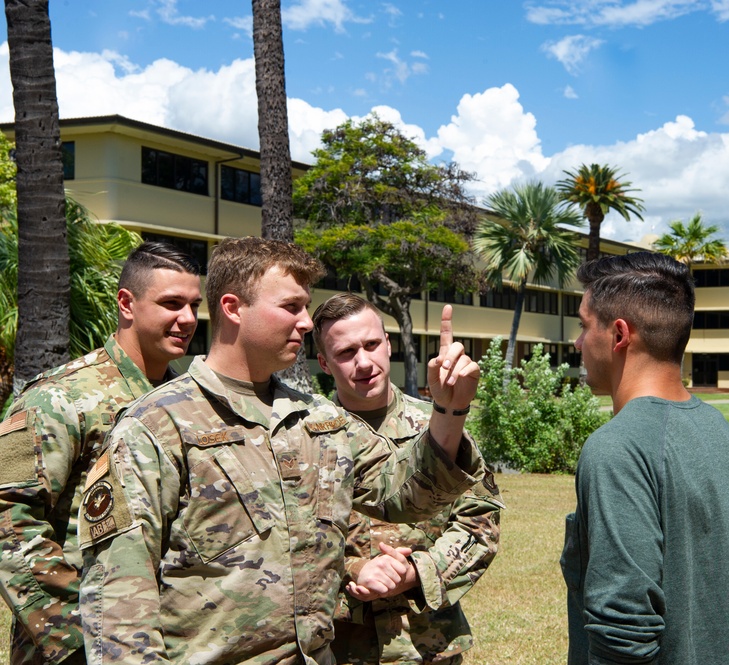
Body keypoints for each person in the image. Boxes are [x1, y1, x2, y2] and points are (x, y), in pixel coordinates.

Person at [77, 236, 485, 665]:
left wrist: (449, 408)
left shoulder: (316, 418)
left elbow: (409, 494)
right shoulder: (159, 424)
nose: (307, 323)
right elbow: (118, 599)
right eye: (292, 307)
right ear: (233, 309)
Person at [560, 252, 729, 664]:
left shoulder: (617, 449)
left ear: (618, 335)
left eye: (583, 325)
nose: (577, 342)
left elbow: (623, 628)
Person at [0, 241, 202, 665]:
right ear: (127, 304)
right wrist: (74, 634)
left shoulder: (188, 400)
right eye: (171, 303)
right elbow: (7, 516)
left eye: (193, 305)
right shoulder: (59, 397)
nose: (187, 319)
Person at [312, 293, 503, 665]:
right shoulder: (309, 436)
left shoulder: (441, 424)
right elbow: (288, 542)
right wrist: (353, 569)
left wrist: (419, 571)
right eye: (347, 352)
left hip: (428, 643)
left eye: (371, 344)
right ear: (323, 362)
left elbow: (480, 522)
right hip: (340, 647)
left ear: (388, 344)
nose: (364, 362)